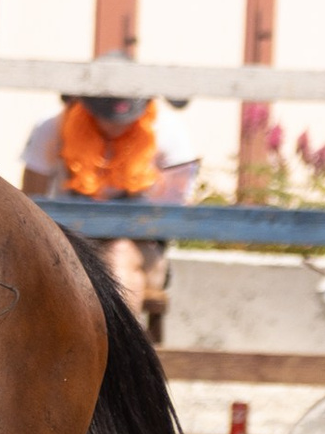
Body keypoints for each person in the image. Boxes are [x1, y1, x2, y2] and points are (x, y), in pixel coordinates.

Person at [20, 90, 200, 318]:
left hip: (141, 250)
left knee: (119, 256)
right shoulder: (52, 126)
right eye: (103, 115)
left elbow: (177, 209)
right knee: (67, 263)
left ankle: (118, 348)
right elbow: (31, 199)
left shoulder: (166, 129)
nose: (115, 126)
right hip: (70, 242)